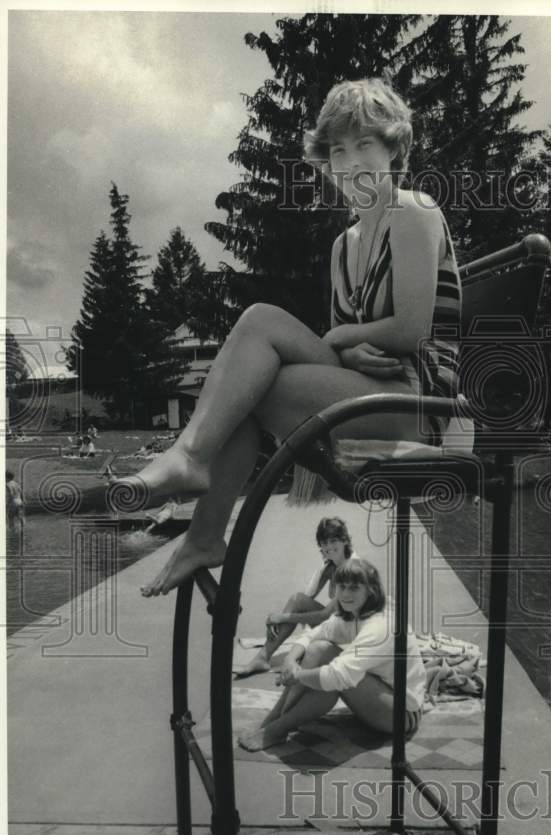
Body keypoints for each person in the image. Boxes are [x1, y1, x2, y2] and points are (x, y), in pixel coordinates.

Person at [110, 77, 461, 598]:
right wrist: (344, 344)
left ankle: (200, 511)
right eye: (339, 150)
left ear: (394, 148)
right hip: (366, 389)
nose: (351, 162)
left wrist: (340, 335)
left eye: (366, 143)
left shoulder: (412, 211)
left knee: (256, 375)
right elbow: (354, 345)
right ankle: (199, 507)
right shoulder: (346, 245)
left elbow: (411, 329)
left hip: (421, 405)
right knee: (258, 325)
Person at [237, 557, 426, 751]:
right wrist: (290, 660)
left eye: (354, 588)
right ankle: (273, 721)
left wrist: (298, 675)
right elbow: (313, 634)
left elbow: (337, 676)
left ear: (371, 590)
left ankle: (277, 728)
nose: (344, 594)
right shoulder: (355, 612)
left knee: (334, 678)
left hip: (401, 714)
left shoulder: (379, 626)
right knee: (319, 650)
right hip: (380, 691)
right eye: (341, 587)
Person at [236, 516, 354, 678]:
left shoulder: (351, 569)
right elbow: (304, 598)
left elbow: (324, 615)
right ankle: (262, 657)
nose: (328, 547)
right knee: (296, 599)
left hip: (351, 630)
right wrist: (278, 619)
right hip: (338, 622)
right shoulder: (330, 566)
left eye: (333, 541)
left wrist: (282, 617)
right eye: (324, 543)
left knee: (292, 612)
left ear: (345, 541)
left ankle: (264, 656)